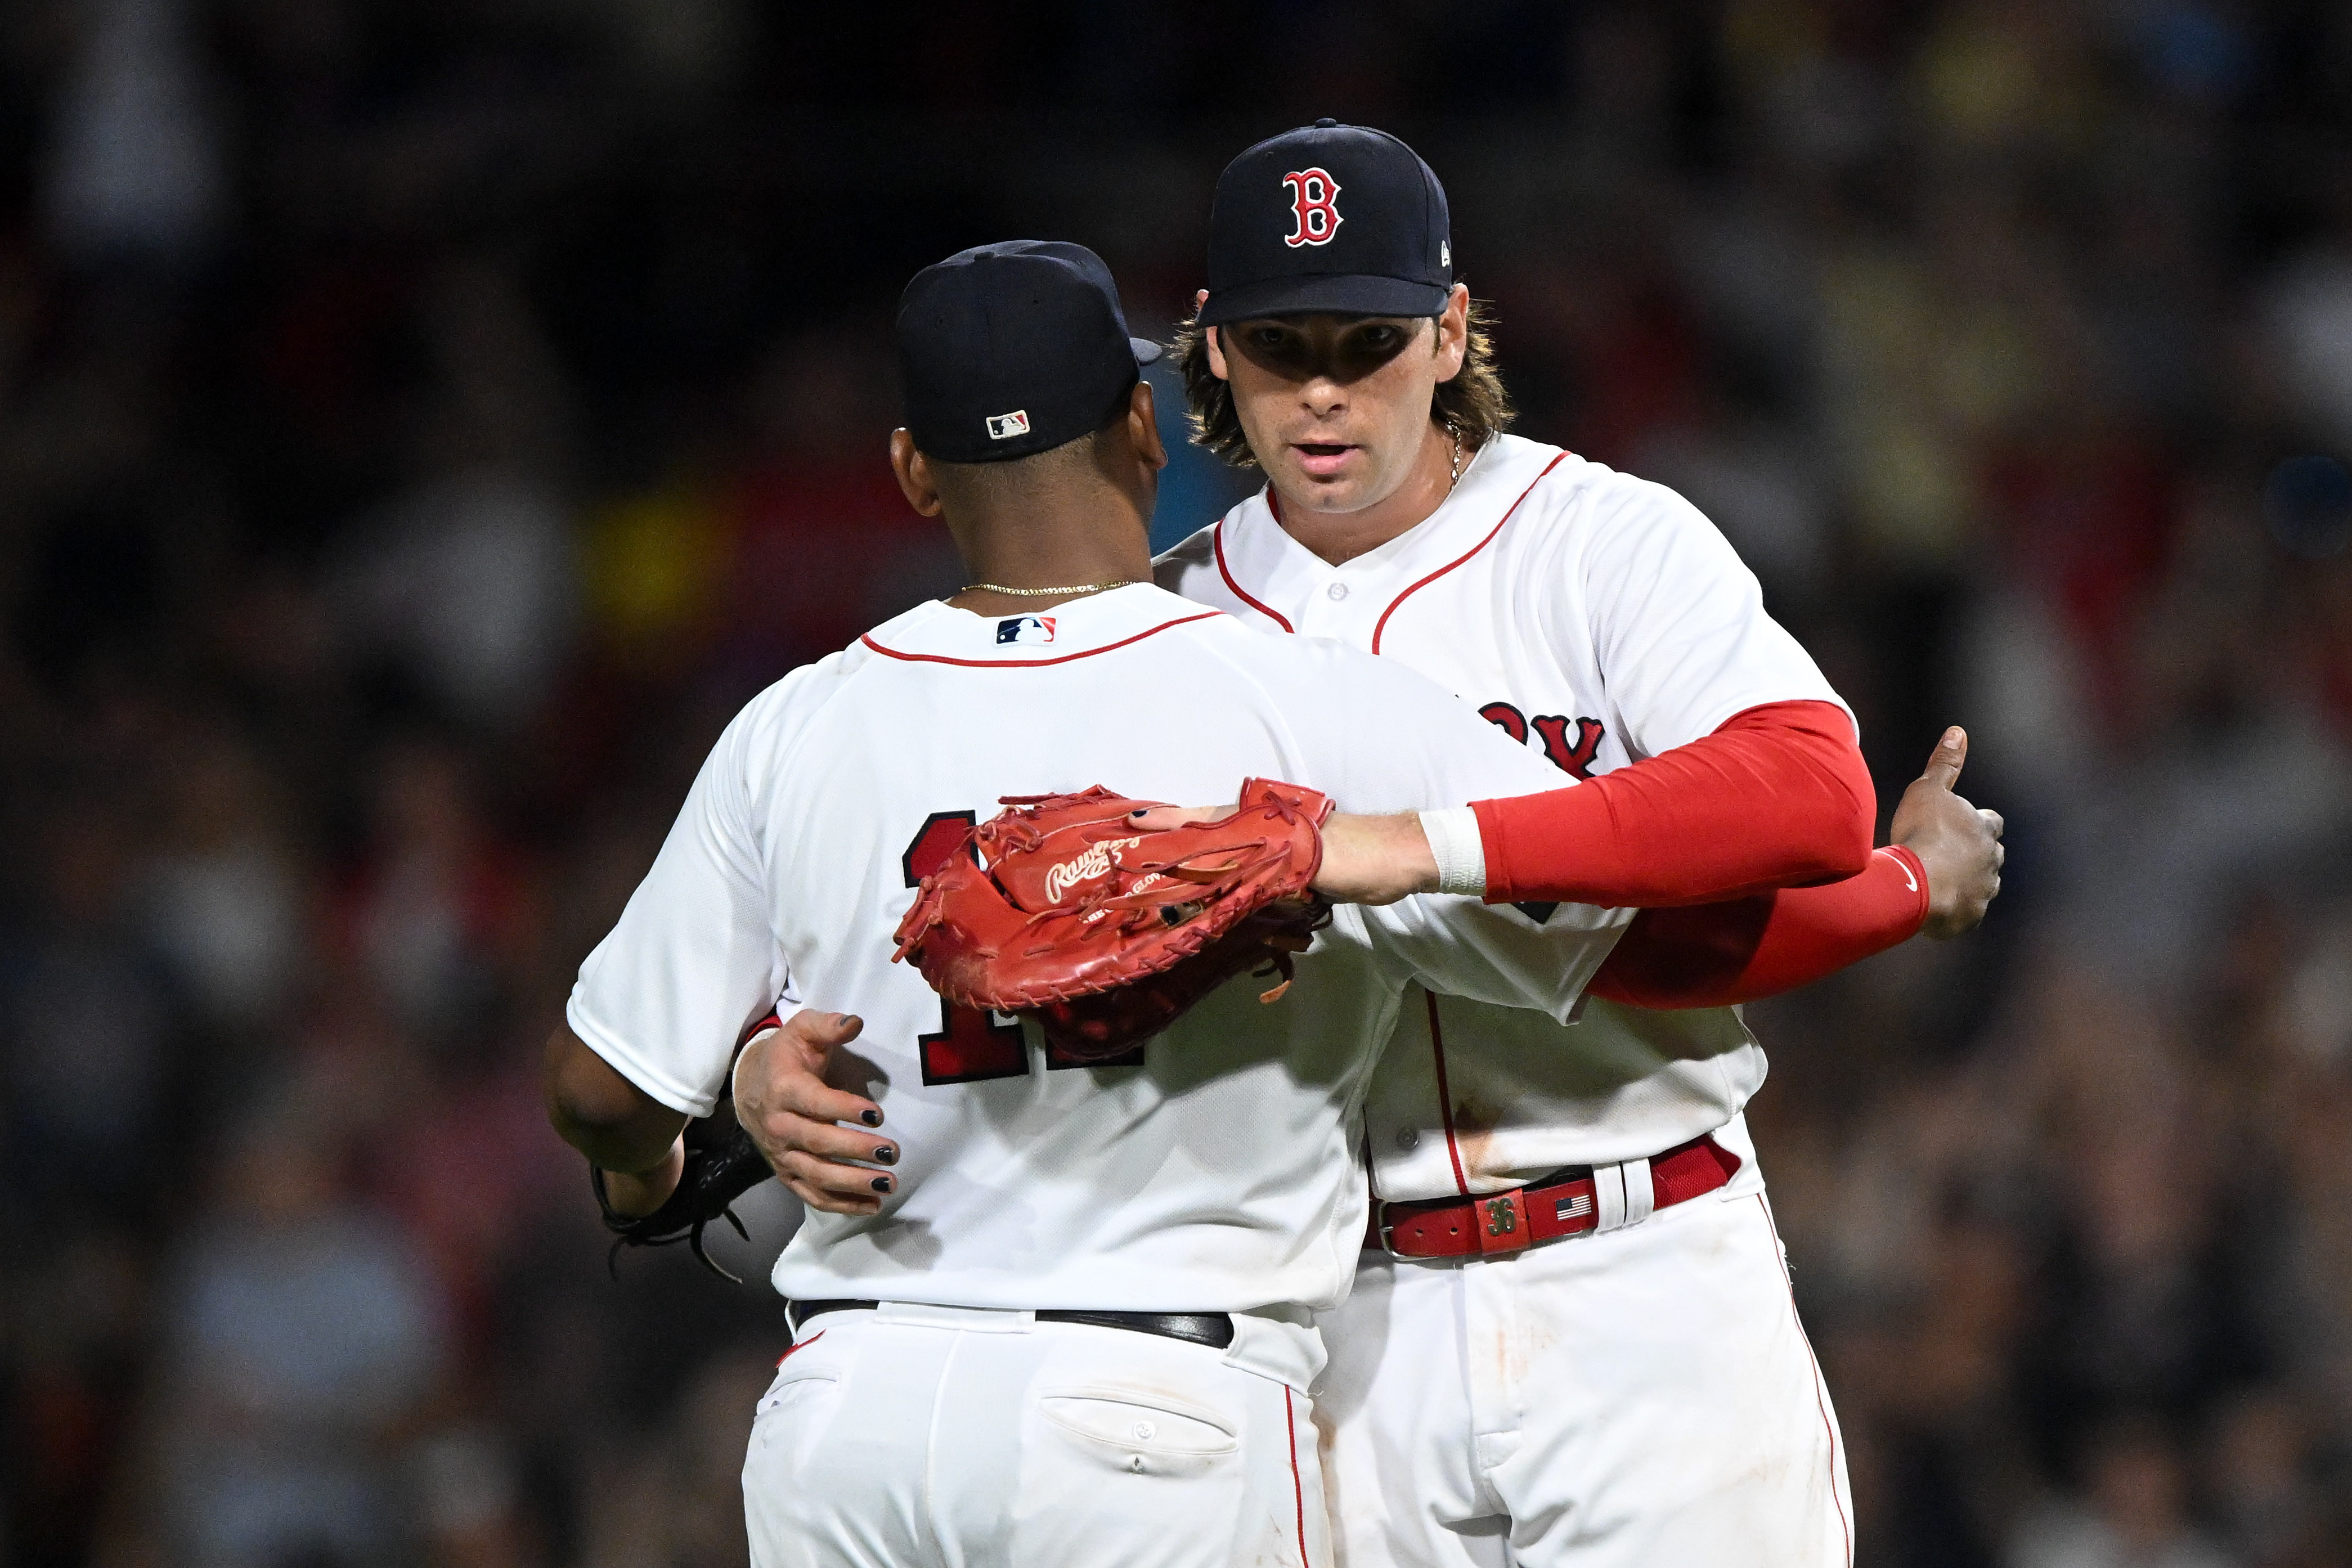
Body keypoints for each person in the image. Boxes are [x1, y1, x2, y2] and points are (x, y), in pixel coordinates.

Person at [746, 125, 2005, 1567]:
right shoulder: (1169, 623)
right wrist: (768, 1051)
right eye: (1283, 347)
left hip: (1644, 1269)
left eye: (1371, 336)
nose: (1327, 389)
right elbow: (982, 901)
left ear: (1451, 328)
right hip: (1344, 1327)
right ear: (1209, 351)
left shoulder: (1596, 540)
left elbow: (1799, 791)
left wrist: (1414, 846)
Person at [544, 239, 1775, 1568]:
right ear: (1144, 425)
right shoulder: (1295, 698)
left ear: (909, 470)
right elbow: (1621, 917)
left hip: (851, 1413)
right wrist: (1899, 885)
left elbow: (601, 1092)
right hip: (1154, 1413)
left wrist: (673, 1164)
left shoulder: (794, 724)